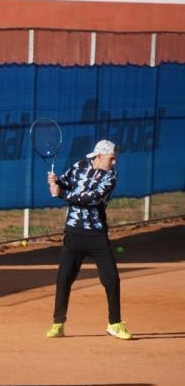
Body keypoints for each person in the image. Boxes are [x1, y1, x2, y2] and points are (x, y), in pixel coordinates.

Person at [45, 139, 132, 340]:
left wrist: (62, 194)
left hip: (97, 236)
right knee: (64, 279)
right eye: (111, 158)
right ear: (99, 157)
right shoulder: (79, 166)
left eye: (114, 159)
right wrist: (55, 182)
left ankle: (115, 324)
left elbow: (92, 198)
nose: (114, 162)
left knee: (111, 279)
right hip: (73, 234)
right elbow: (65, 182)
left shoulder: (111, 176)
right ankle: (58, 324)